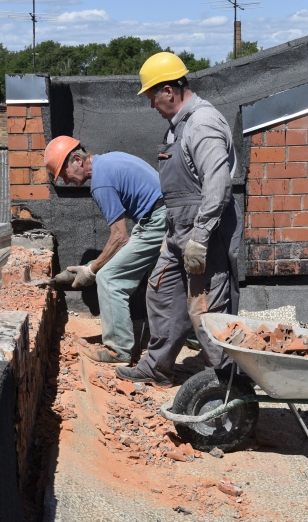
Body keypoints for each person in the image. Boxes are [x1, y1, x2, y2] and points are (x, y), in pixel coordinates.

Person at [116, 52, 243, 386]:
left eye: (152, 97)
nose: (151, 105)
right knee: (160, 291)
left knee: (205, 309)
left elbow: (217, 186)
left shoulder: (203, 123)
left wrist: (199, 238)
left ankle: (227, 386)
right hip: (177, 234)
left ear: (169, 92)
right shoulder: (177, 129)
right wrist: (173, 234)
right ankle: (156, 368)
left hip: (206, 234)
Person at [44, 135, 167, 363]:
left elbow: (120, 237)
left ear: (77, 160)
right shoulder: (109, 160)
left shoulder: (100, 183)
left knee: (109, 279)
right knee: (156, 283)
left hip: (158, 220)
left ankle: (118, 350)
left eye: (64, 174)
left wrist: (92, 271)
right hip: (162, 215)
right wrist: (93, 265)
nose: (66, 182)